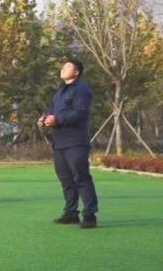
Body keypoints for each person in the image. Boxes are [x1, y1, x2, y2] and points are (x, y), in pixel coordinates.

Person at [39, 58, 99, 229]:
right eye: (63, 67)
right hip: (59, 142)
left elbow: (80, 113)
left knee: (81, 177)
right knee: (66, 179)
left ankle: (90, 215)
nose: (63, 69)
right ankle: (71, 213)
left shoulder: (82, 90)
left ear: (77, 72)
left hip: (75, 141)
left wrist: (57, 119)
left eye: (67, 67)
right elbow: (52, 112)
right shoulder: (59, 92)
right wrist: (45, 120)